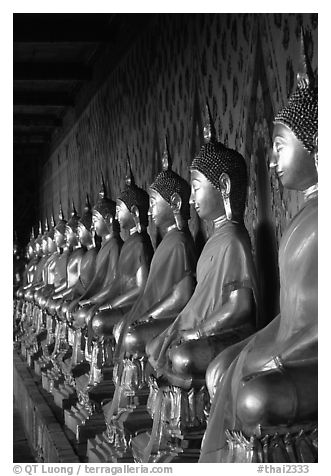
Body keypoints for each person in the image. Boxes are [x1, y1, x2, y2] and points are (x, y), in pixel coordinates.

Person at [199, 30, 318, 463]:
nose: (270, 160)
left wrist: (280, 355)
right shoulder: (304, 218)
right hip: (294, 345)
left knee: (255, 398)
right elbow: (292, 313)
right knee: (223, 369)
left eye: (280, 147)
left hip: (314, 356)